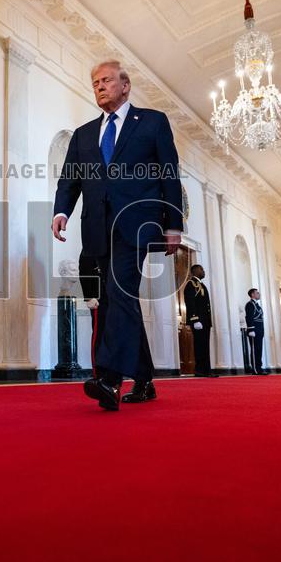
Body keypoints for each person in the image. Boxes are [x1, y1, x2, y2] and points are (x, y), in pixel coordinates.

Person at [53, 60, 185, 410]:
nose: (99, 86)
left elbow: (169, 173)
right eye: (95, 82)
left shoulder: (153, 121)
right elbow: (70, 179)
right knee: (117, 299)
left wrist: (173, 224)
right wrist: (61, 211)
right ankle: (144, 380)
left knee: (118, 291)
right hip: (97, 227)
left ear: (125, 86)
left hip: (136, 223)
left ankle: (109, 379)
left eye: (106, 80)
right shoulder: (83, 134)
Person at [183, 264, 217, 377]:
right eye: (201, 269)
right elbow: (190, 302)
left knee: (204, 346)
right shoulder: (191, 284)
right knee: (200, 346)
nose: (203, 271)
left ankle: (205, 370)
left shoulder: (200, 284)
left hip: (204, 321)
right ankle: (200, 370)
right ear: (195, 271)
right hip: (199, 321)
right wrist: (195, 319)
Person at [244, 289, 267, 375]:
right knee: (255, 350)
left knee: (259, 349)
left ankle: (259, 367)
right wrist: (251, 329)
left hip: (259, 330)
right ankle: (255, 369)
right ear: (252, 294)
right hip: (254, 330)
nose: (259, 294)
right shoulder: (250, 304)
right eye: (257, 293)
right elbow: (249, 317)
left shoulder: (257, 305)